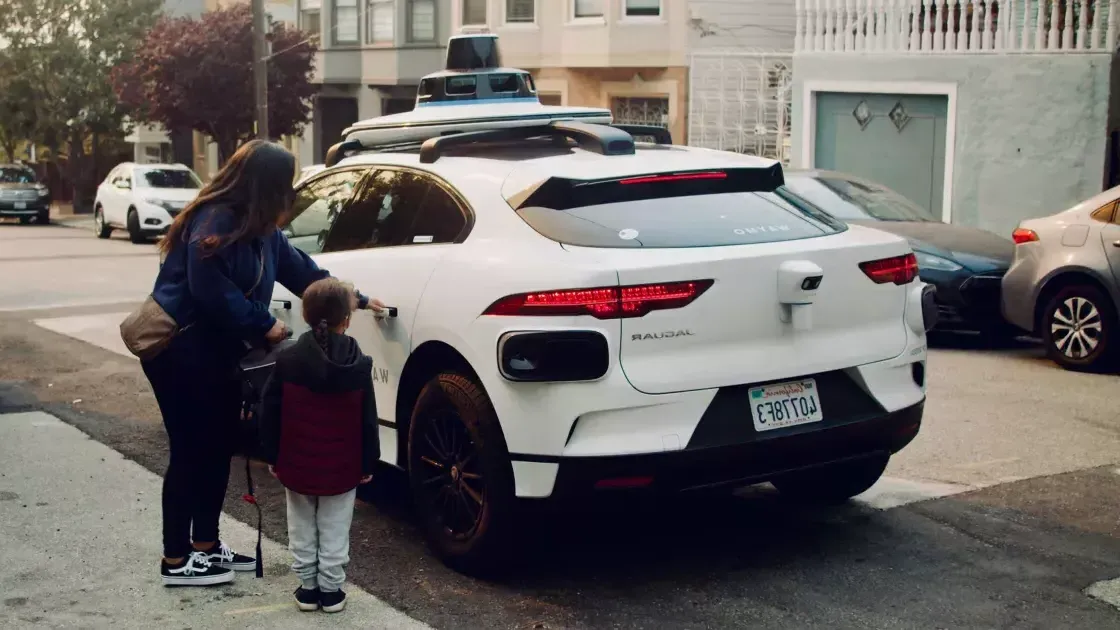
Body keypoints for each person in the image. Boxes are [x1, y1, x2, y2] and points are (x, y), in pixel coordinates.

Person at [141, 140, 382, 587]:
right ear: (265, 185)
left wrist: (359, 298)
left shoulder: (262, 231)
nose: (290, 193)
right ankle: (176, 559)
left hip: (216, 354)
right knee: (192, 452)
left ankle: (205, 547)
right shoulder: (215, 220)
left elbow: (306, 275)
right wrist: (263, 323)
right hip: (181, 353)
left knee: (216, 449)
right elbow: (207, 287)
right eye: (285, 183)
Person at [258, 277, 379, 614]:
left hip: (296, 462)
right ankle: (331, 590)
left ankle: (308, 588)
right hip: (343, 466)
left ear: (306, 315)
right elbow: (368, 419)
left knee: (301, 523)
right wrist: (368, 462)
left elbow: (270, 411)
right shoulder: (359, 364)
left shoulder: (288, 360)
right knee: (335, 526)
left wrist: (272, 454)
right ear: (347, 320)